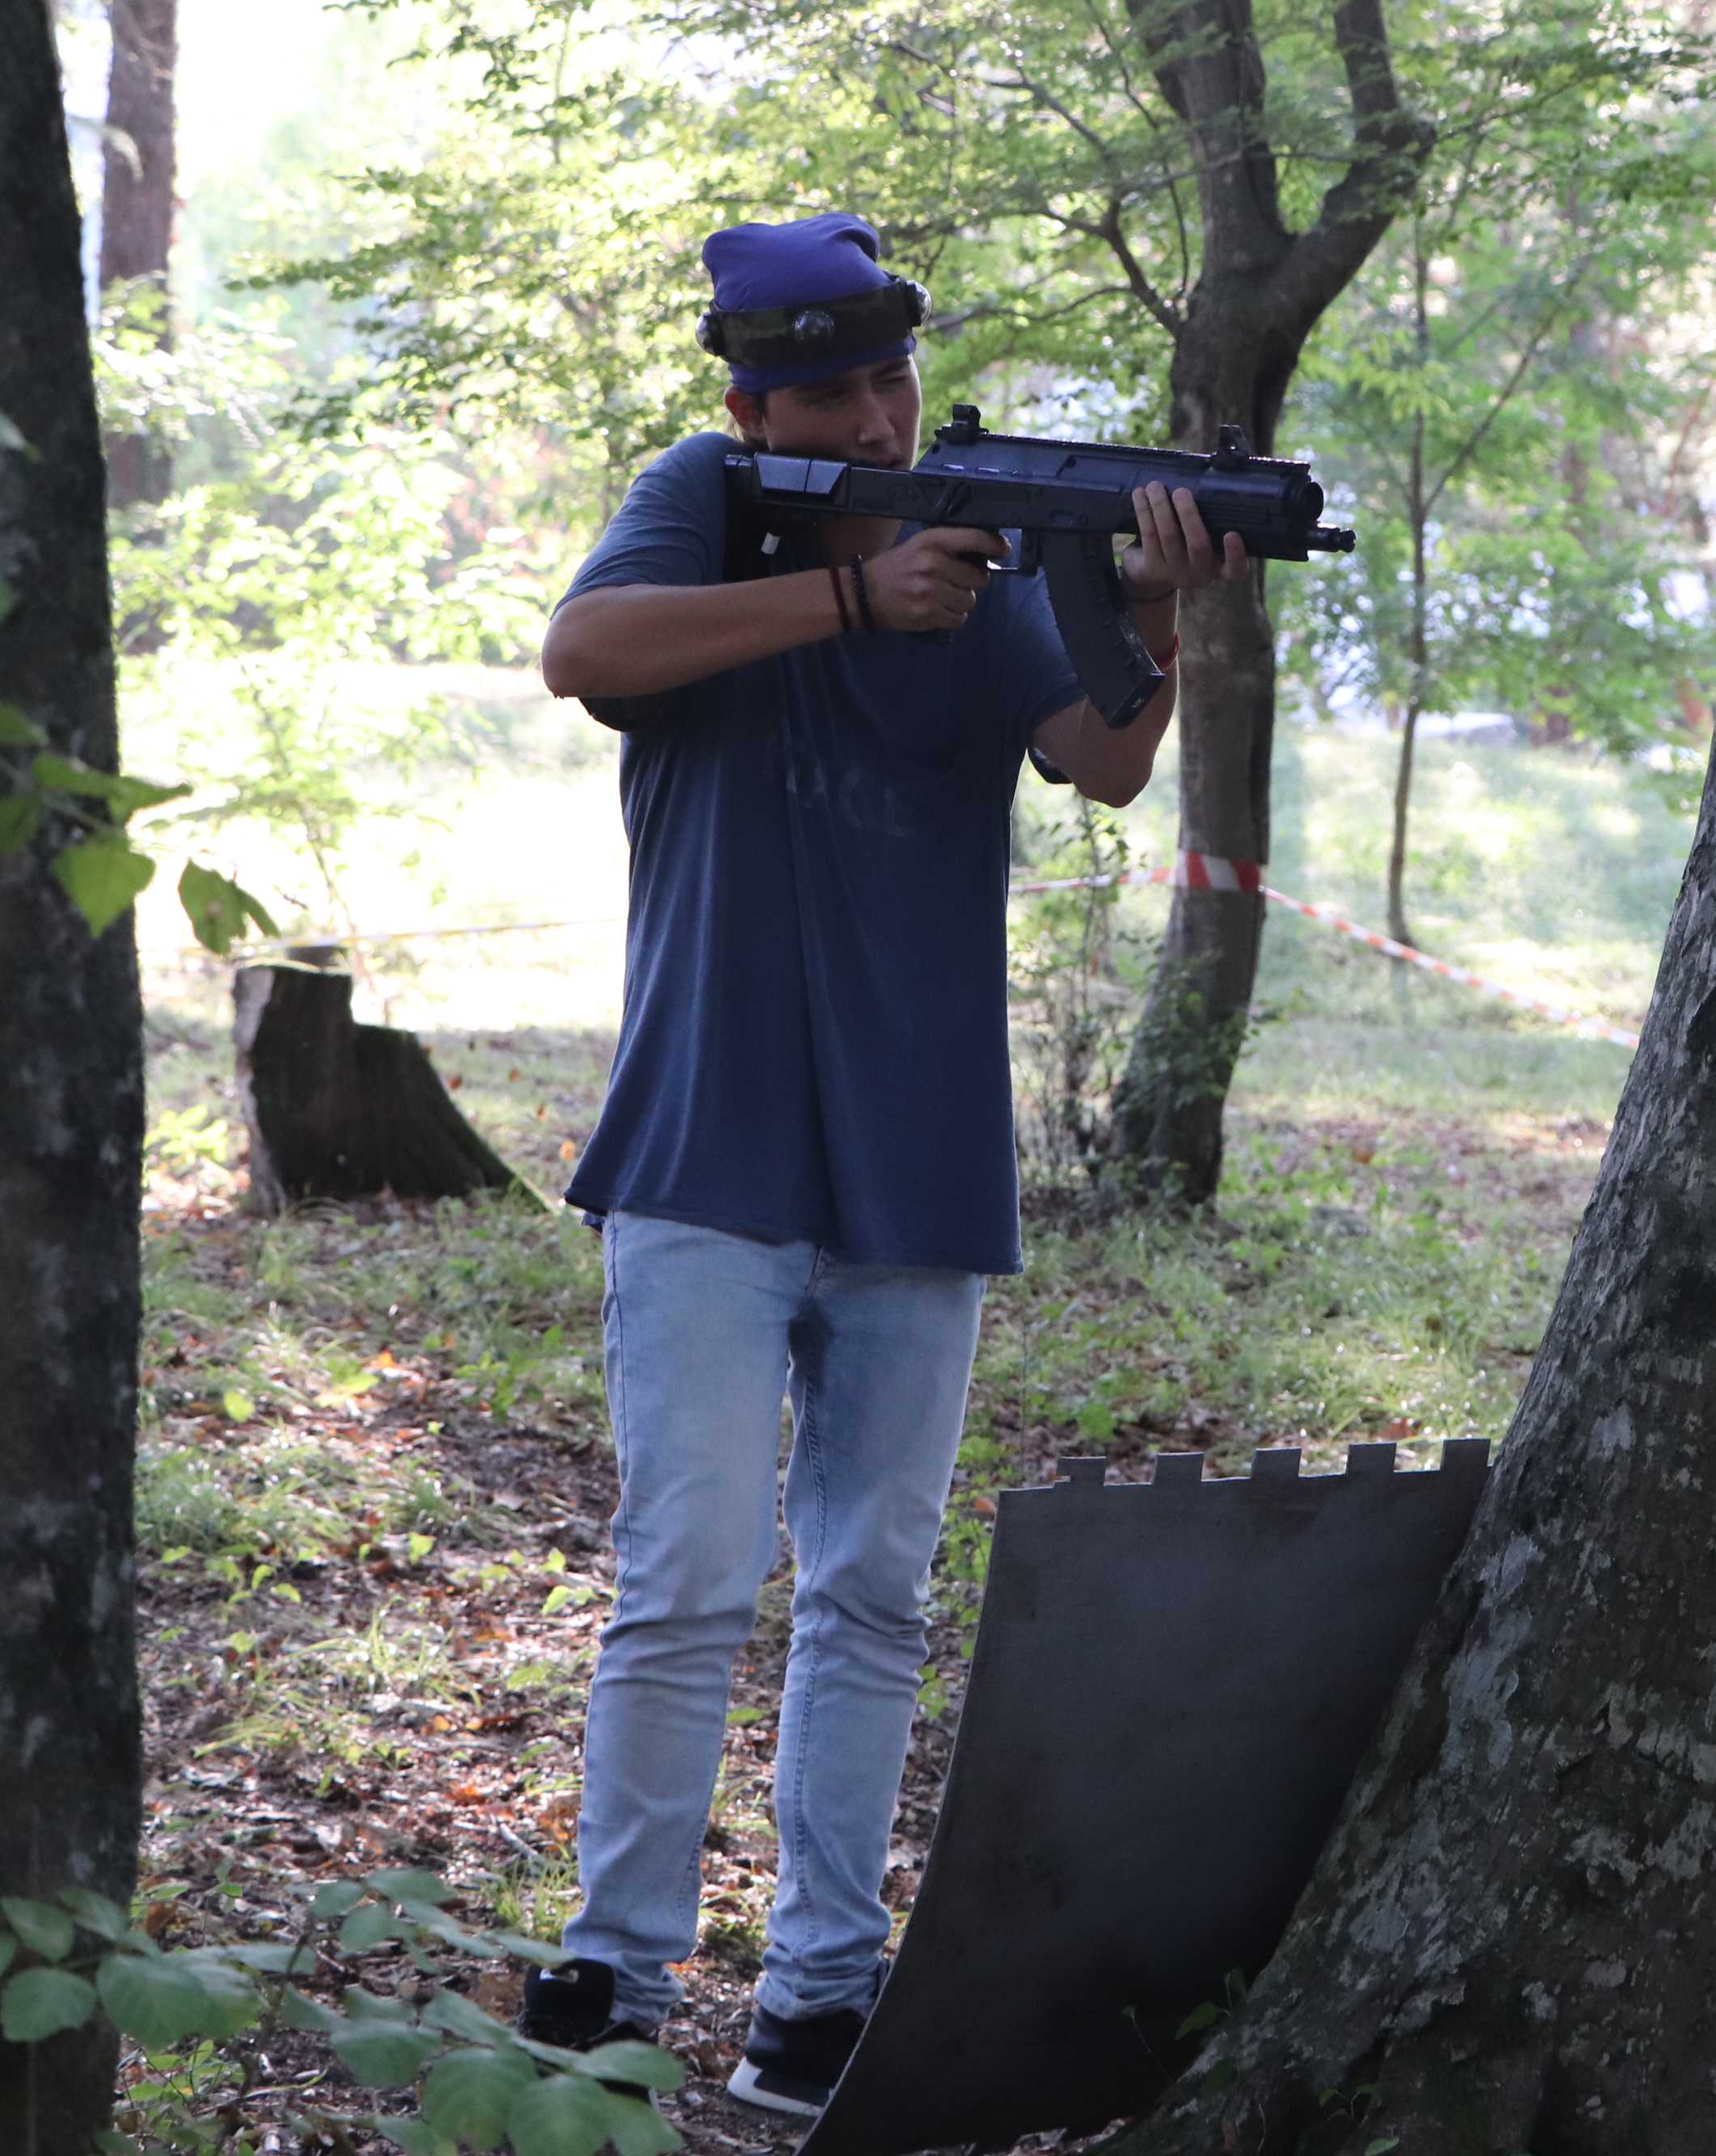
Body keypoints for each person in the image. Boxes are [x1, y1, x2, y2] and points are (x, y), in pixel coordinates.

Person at [515, 211, 1244, 2119]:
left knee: (872, 1595)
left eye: (889, 377)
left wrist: (1155, 609)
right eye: (830, 390)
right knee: (686, 1574)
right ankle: (612, 1968)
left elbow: (1104, 757)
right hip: (706, 1142)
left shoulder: (978, 543)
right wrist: (852, 599)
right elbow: (583, 650)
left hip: (918, 1158)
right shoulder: (700, 502)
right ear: (754, 407)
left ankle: (822, 1990)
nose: (870, 415)